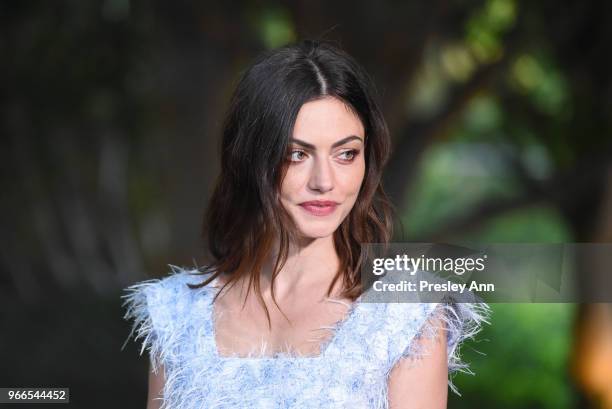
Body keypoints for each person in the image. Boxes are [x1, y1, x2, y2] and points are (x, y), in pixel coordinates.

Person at [122, 39, 489, 409]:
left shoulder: (406, 314)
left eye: (346, 154)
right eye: (297, 154)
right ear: (251, 159)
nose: (324, 181)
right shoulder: (178, 314)